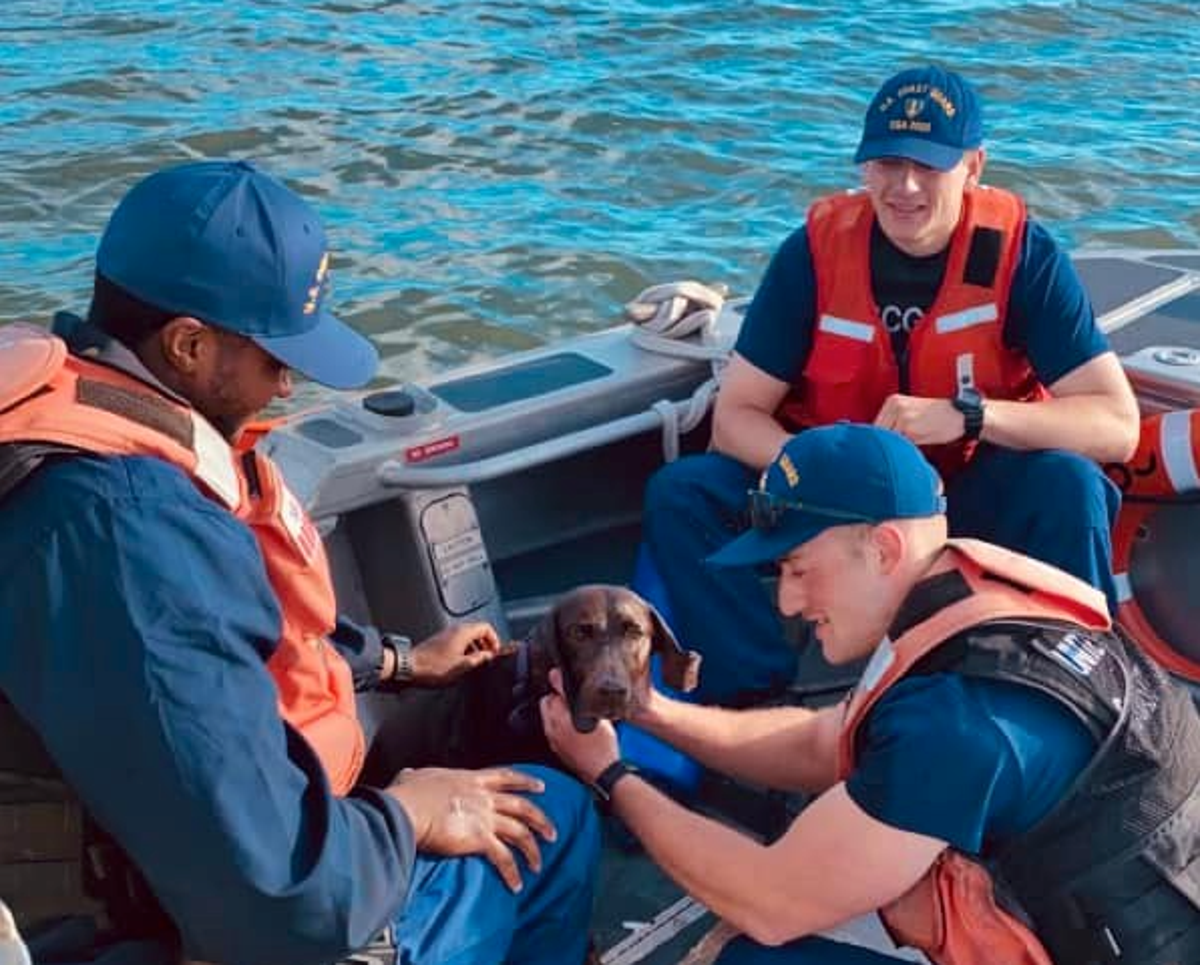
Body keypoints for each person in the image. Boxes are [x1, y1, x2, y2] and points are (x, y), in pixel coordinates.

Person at [0, 159, 599, 965]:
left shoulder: (82, 425)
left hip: (167, 851)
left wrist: (392, 659)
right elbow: (285, 900)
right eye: (275, 356)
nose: (287, 384)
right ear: (187, 343)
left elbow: (229, 638)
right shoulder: (131, 535)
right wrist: (410, 813)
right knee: (556, 820)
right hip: (160, 928)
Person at [545, 422, 1200, 964]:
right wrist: (651, 711)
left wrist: (609, 772)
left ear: (883, 547)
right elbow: (823, 741)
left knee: (757, 954)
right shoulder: (969, 598)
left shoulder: (961, 719)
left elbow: (769, 900)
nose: (792, 601)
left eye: (800, 570)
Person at [640, 65, 1140, 704]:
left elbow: (1116, 426)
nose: (903, 187)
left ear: (973, 166)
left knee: (1067, 483)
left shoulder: (1022, 257)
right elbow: (736, 416)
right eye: (885, 163)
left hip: (962, 499)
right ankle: (752, 704)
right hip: (830, 503)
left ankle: (1079, 698)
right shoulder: (815, 254)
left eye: (928, 166)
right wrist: (821, 475)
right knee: (682, 493)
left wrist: (972, 417)